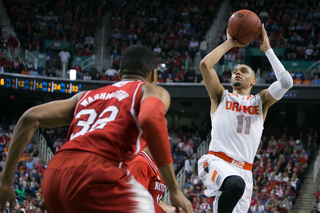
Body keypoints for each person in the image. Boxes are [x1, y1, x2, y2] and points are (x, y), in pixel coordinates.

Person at [0, 45, 193, 213]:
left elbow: (29, 118)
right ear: (154, 75)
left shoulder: (85, 96)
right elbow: (150, 119)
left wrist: (6, 181)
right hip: (96, 173)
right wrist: (174, 189)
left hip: (54, 177)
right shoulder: (150, 90)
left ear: (119, 75)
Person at [197, 24, 293, 213]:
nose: (237, 72)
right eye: (234, 71)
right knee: (234, 185)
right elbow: (205, 65)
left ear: (254, 81)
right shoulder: (220, 96)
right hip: (216, 162)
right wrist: (230, 42)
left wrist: (268, 51)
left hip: (245, 172)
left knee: (237, 186)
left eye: (243, 70)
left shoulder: (261, 101)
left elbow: (286, 82)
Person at [128, 147, 176, 213]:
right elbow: (137, 201)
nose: (168, 138)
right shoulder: (141, 162)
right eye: (164, 136)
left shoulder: (155, 164)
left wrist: (174, 209)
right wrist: (167, 210)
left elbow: (155, 200)